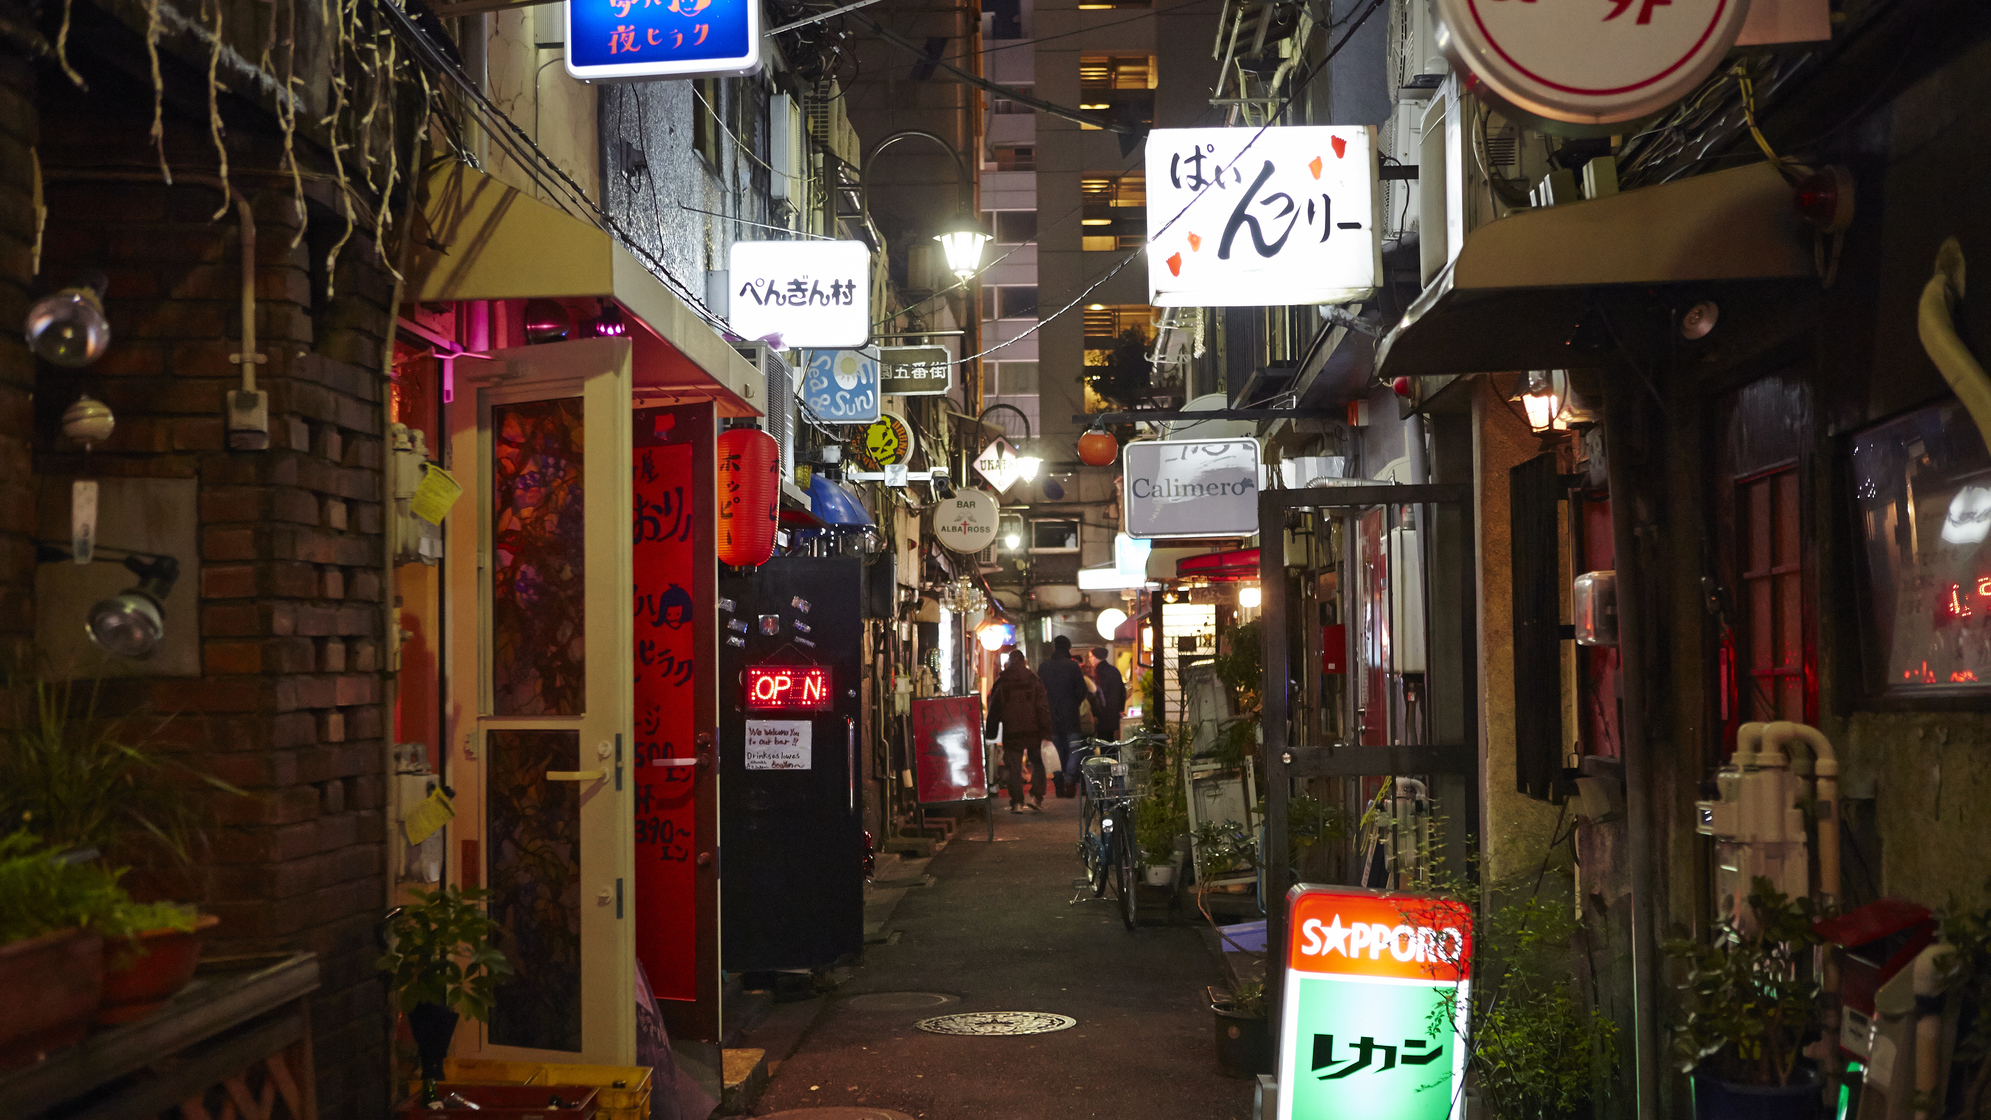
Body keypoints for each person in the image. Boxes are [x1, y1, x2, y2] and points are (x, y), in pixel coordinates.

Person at [984, 648, 1054, 812]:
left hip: (1011, 730)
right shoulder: (1034, 680)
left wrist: (991, 732)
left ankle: (1017, 802)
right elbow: (1043, 708)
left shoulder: (1002, 682)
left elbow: (994, 709)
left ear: (1008, 663)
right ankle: (1036, 797)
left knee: (1013, 767)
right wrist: (1047, 730)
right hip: (1034, 730)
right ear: (1024, 662)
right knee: (1038, 763)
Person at [1037, 635, 1090, 797]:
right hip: (1070, 715)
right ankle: (1069, 778)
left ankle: (1059, 781)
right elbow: (1082, 690)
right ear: (1068, 648)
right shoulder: (1073, 667)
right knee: (1075, 749)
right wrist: (1073, 702)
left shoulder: (1044, 667)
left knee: (1057, 751)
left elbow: (1039, 691)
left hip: (1051, 715)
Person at [1087, 646, 1126, 741]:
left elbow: (1096, 693)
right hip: (1113, 713)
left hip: (1101, 715)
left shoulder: (1096, 672)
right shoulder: (1114, 670)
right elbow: (1122, 691)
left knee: (1102, 741)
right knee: (1110, 740)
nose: (1089, 659)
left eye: (1091, 657)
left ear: (1097, 657)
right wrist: (1120, 709)